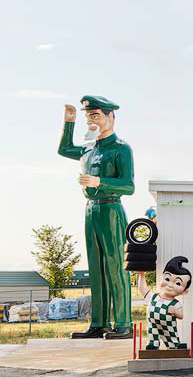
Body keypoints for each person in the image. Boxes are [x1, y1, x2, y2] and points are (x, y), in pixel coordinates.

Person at [57, 95, 135, 339]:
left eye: (96, 115)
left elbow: (129, 186)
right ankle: (99, 323)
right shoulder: (89, 148)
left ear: (110, 117)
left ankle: (123, 322)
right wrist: (68, 122)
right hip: (91, 208)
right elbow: (63, 149)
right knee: (96, 267)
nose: (91, 120)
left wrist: (99, 181)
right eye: (88, 116)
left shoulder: (121, 148)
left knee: (115, 264)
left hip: (111, 208)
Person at [135, 257, 191, 351]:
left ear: (184, 291)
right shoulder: (153, 297)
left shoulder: (175, 303)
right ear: (162, 278)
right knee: (153, 334)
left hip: (168, 325)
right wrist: (141, 275)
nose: (170, 285)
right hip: (153, 324)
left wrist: (175, 312)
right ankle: (153, 344)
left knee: (171, 335)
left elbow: (181, 316)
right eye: (167, 278)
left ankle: (175, 345)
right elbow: (142, 290)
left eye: (177, 283)